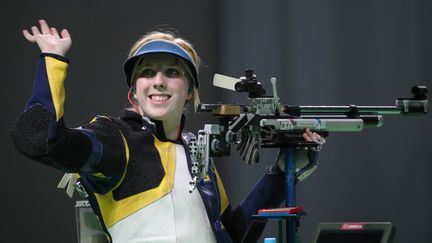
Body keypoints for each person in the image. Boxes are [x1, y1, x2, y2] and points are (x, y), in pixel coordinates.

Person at [11, 19, 325, 243]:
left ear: (189, 91)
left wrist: (283, 170)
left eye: (172, 72)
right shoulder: (115, 139)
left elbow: (235, 232)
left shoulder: (196, 152)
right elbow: (37, 139)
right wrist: (52, 60)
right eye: (147, 72)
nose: (159, 80)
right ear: (134, 92)